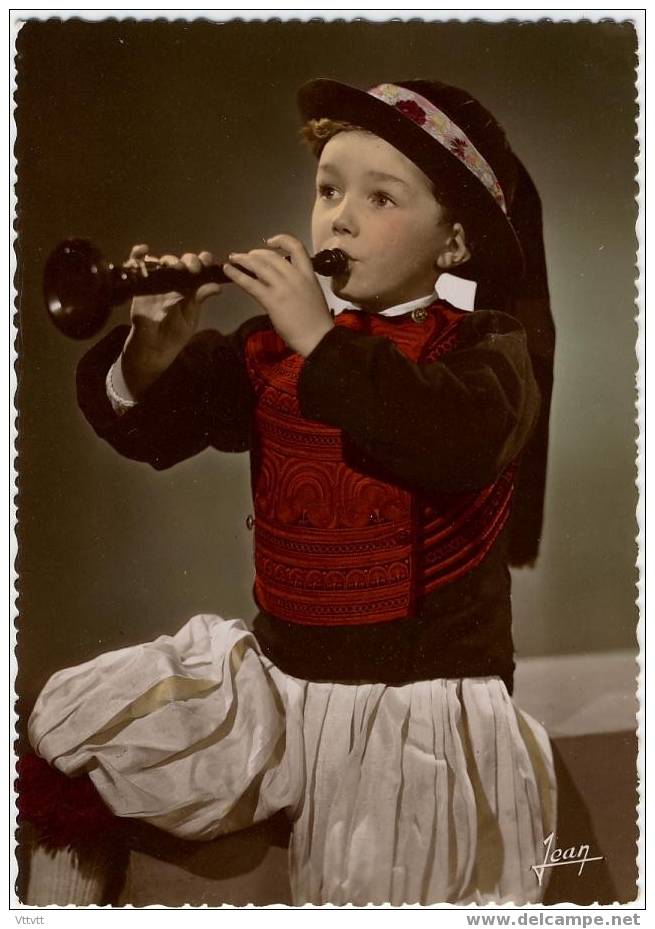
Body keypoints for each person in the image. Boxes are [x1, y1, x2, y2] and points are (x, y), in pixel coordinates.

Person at [21, 78, 556, 906]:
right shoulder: (268, 345)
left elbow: (449, 434)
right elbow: (155, 429)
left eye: (379, 197)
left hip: (411, 712)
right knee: (78, 735)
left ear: (451, 245)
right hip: (280, 680)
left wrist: (318, 337)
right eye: (329, 189)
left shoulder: (485, 348)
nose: (337, 216)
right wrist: (152, 350)